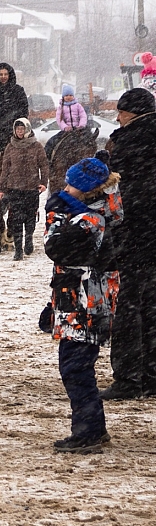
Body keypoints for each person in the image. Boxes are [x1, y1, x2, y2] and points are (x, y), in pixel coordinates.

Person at [43, 158, 121, 453]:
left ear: (85, 189)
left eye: (70, 184)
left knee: (76, 368)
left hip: (84, 302)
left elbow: (56, 250)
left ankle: (87, 431)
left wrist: (54, 215)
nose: (65, 188)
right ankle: (93, 429)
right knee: (78, 365)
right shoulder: (99, 212)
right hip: (87, 299)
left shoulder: (89, 220)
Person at [100, 88, 156, 400]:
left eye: (121, 112)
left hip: (135, 235)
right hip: (150, 234)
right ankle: (151, 375)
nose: (117, 118)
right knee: (151, 305)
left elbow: (123, 193)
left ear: (131, 113)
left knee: (129, 305)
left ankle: (128, 378)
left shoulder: (131, 142)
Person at [0, 118, 48, 260]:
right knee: (17, 219)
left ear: (28, 129)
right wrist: (1, 188)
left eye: (22, 129)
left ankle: (29, 239)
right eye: (17, 129)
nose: (20, 132)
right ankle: (18, 250)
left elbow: (43, 165)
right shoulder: (10, 147)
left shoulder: (36, 146)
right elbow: (5, 168)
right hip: (14, 188)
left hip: (32, 188)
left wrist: (44, 182)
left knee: (30, 217)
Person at [45, 84, 96, 195]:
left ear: (73, 96)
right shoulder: (61, 107)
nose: (68, 97)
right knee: (51, 142)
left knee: (88, 141)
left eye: (70, 95)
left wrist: (81, 125)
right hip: (66, 130)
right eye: (66, 95)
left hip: (79, 129)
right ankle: (49, 161)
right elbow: (59, 119)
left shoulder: (78, 106)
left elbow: (83, 116)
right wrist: (65, 127)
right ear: (63, 97)